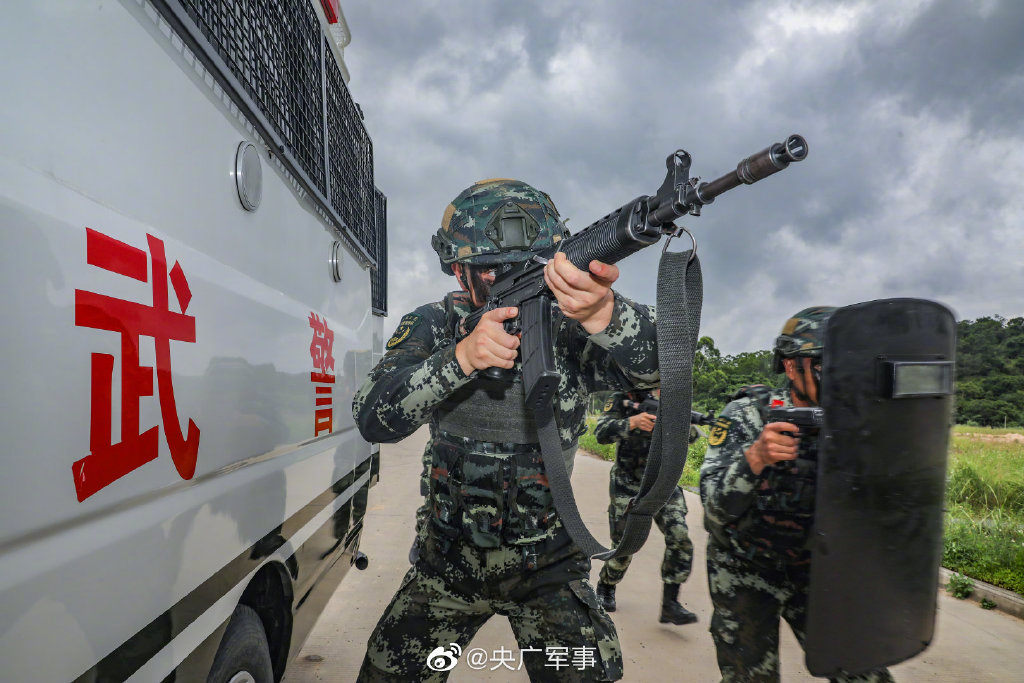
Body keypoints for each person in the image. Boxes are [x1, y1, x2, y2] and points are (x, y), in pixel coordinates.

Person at [353, 178, 660, 682]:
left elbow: (663, 370)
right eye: (493, 269)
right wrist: (459, 359)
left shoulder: (574, 325)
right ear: (458, 270)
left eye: (529, 265)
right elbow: (373, 416)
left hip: (550, 568)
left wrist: (607, 314)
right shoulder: (436, 324)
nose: (512, 279)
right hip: (447, 563)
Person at [699, 307, 895, 682]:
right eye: (825, 364)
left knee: (866, 673)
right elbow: (713, 509)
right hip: (745, 568)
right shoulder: (746, 415)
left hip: (817, 568)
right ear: (792, 367)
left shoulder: (860, 422)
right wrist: (754, 459)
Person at [592, 388, 697, 625]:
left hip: (663, 481)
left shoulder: (672, 396)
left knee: (680, 536)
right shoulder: (621, 398)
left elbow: (691, 436)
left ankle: (670, 603)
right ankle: (607, 585)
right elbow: (601, 433)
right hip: (627, 483)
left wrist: (674, 425)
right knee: (624, 547)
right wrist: (632, 422)